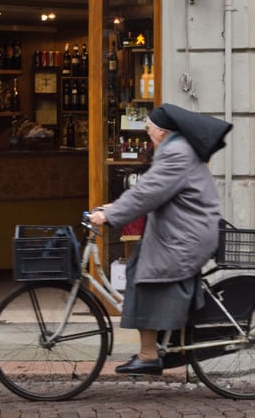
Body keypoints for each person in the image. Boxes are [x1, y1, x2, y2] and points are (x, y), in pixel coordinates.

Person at [88, 103, 232, 374]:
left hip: (186, 237)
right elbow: (151, 189)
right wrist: (115, 207)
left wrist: (111, 215)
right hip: (182, 232)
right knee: (140, 264)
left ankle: (149, 354)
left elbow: (149, 193)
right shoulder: (177, 150)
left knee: (146, 275)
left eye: (148, 129)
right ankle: (155, 347)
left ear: (162, 131)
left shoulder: (176, 153)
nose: (146, 134)